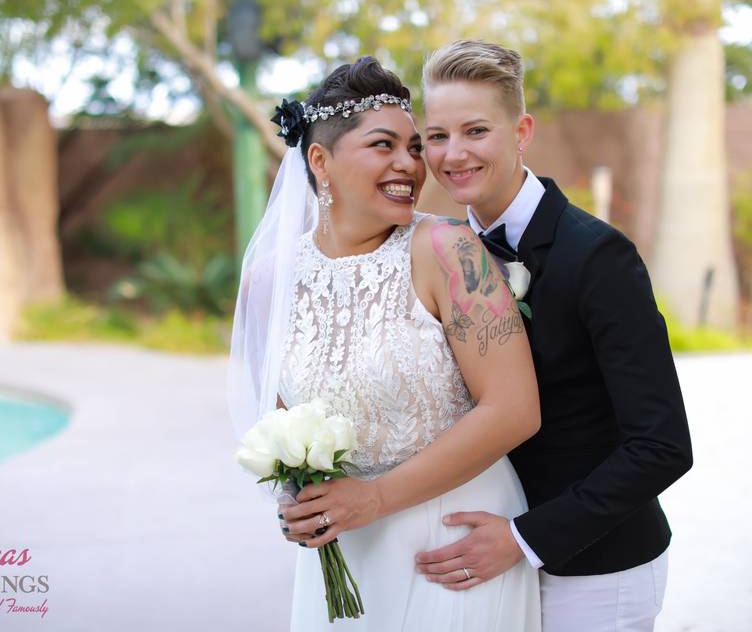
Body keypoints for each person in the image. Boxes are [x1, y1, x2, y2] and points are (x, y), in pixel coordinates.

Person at [288, 40, 694, 631]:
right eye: (437, 136)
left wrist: (525, 540)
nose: (453, 155)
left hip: (591, 563)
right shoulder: (436, 249)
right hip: (470, 551)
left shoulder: (598, 256)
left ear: (522, 131)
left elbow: (662, 445)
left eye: (476, 131)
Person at [229, 57, 542, 631]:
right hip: (349, 548)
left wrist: (373, 499)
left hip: (457, 544)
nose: (410, 164)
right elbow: (278, 421)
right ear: (319, 161)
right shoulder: (269, 280)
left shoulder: (449, 251)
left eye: (415, 147)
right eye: (383, 146)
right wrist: (296, 502)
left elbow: (515, 409)